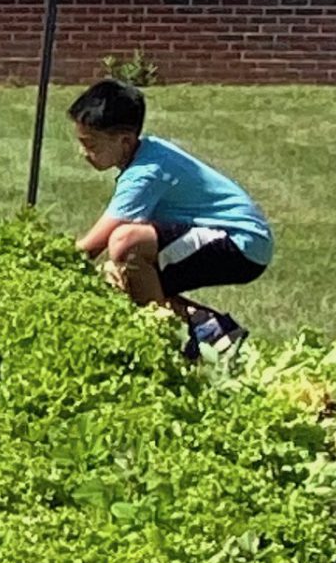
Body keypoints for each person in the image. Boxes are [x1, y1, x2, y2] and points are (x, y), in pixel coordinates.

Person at [69, 78, 271, 359]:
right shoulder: (146, 152)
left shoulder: (146, 172)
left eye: (90, 145)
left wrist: (51, 264)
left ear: (125, 141)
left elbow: (92, 247)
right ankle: (214, 331)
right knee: (116, 276)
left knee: (125, 243)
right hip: (229, 238)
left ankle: (167, 343)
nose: (83, 153)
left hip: (241, 241)